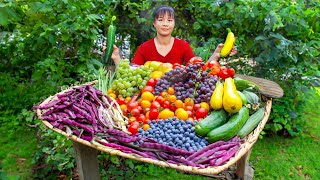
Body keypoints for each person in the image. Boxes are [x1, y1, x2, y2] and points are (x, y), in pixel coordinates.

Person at [110, 5, 236, 66]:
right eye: (160, 20)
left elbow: (199, 71)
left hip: (178, 99)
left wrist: (217, 53)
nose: (165, 24)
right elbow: (131, 74)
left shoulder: (183, 46)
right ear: (154, 23)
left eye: (169, 20)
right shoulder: (144, 48)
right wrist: (116, 58)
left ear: (174, 23)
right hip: (148, 99)